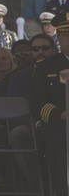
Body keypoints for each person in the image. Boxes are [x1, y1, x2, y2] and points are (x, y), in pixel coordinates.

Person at [7, 34, 56, 191]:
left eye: (45, 48)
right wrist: (35, 123)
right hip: (31, 127)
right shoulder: (18, 77)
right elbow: (13, 111)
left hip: (60, 124)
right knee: (18, 133)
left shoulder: (64, 71)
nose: (40, 52)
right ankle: (36, 187)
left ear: (54, 50)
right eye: (35, 49)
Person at [31, 12, 69, 196]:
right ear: (59, 38)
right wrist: (59, 114)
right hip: (60, 124)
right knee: (57, 133)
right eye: (66, 35)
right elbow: (37, 103)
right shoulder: (46, 67)